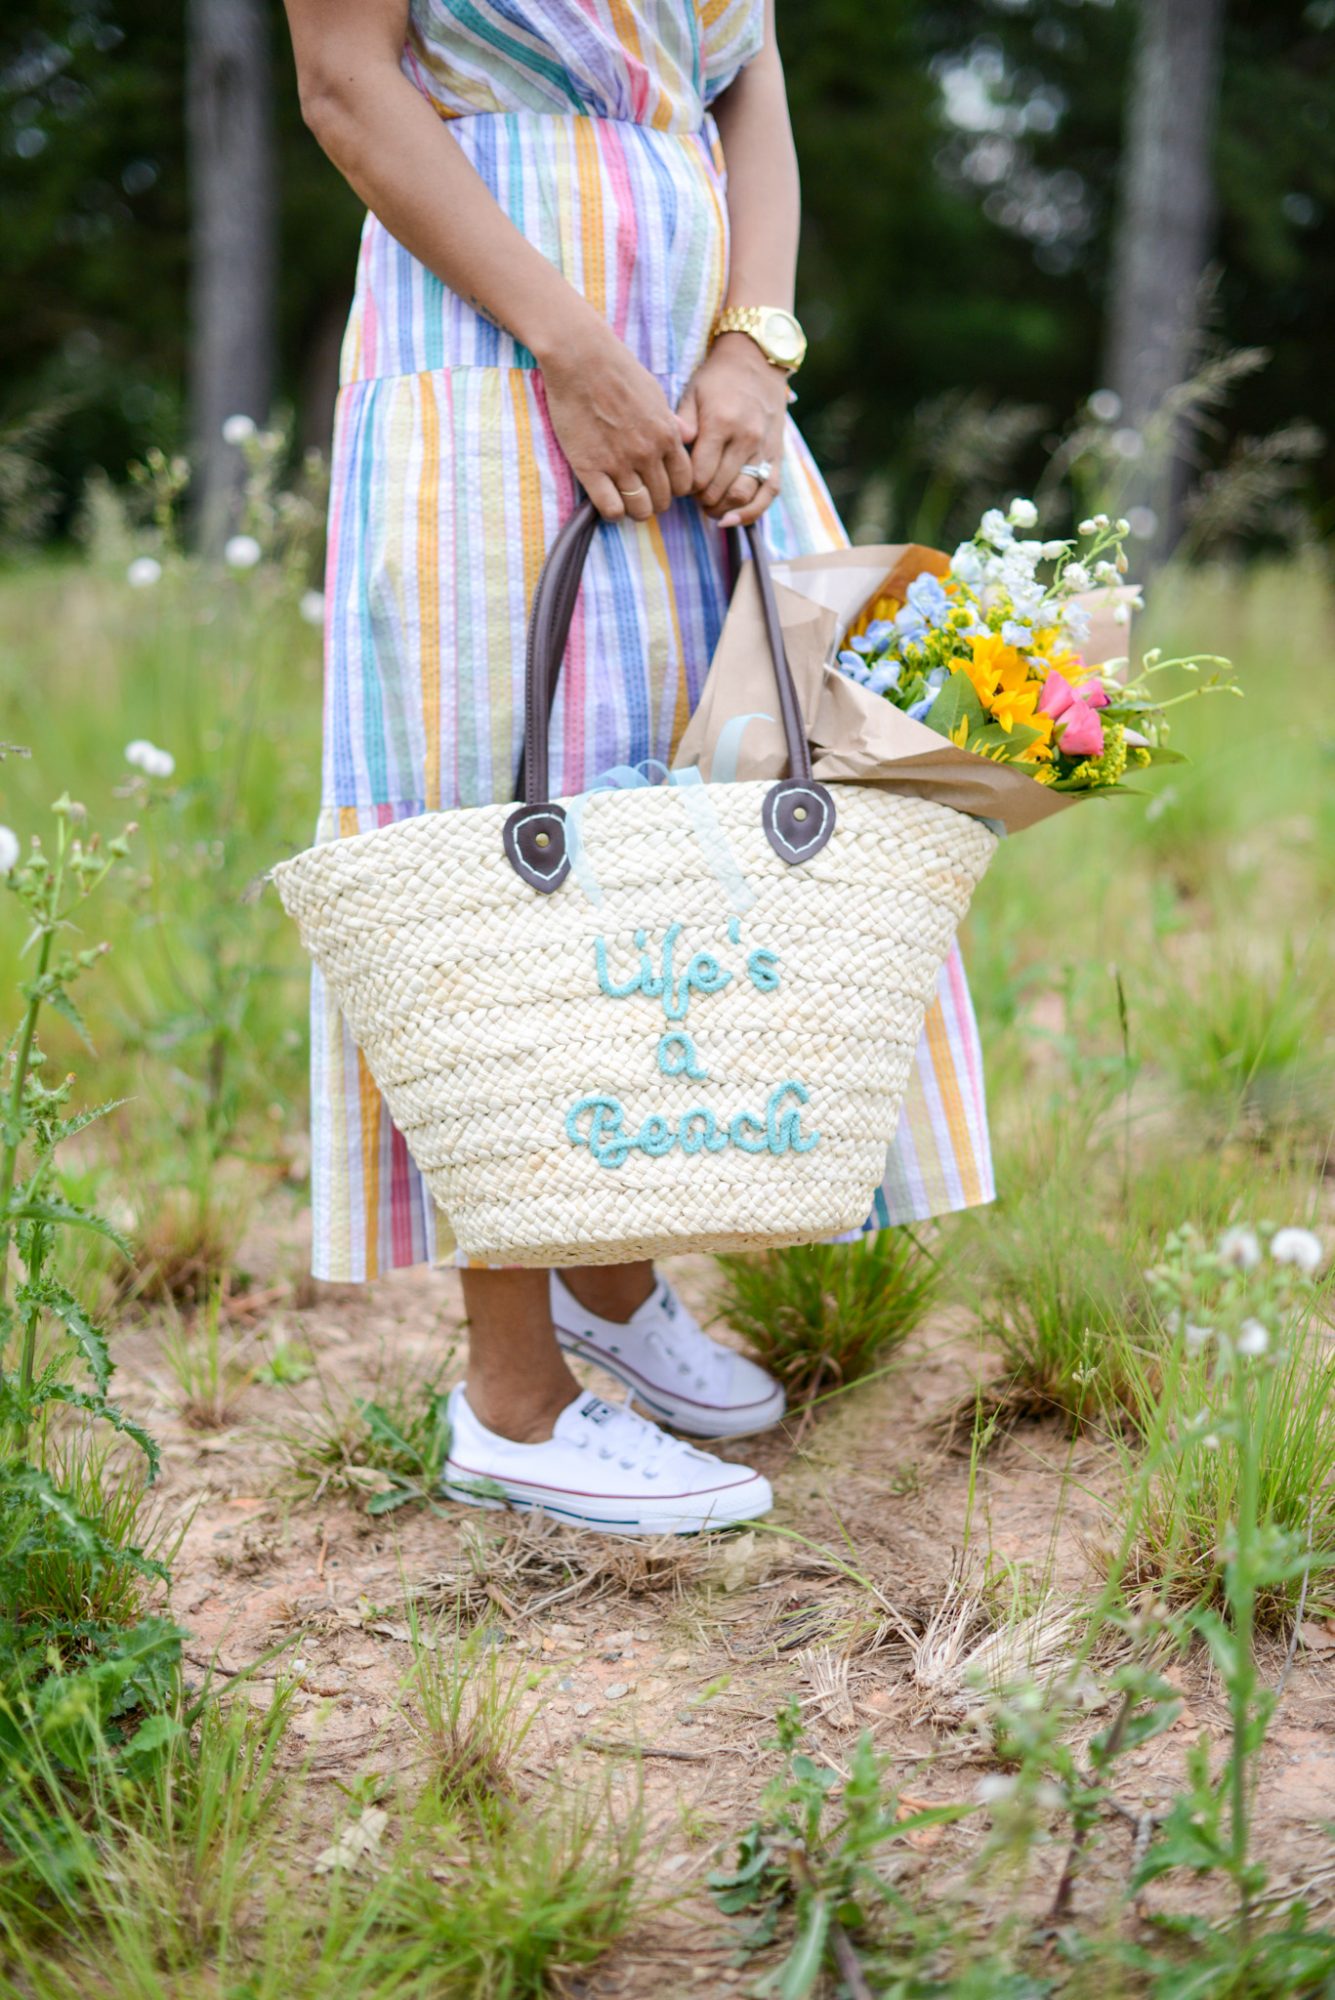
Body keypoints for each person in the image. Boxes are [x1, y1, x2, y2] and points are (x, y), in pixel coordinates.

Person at [281, 0, 994, 1536]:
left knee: (706, 779)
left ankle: (607, 1276)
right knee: (501, 823)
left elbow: (748, 80)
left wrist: (754, 341)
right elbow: (345, 83)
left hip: (694, 375)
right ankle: (514, 1400)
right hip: (496, 348)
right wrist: (573, 344)